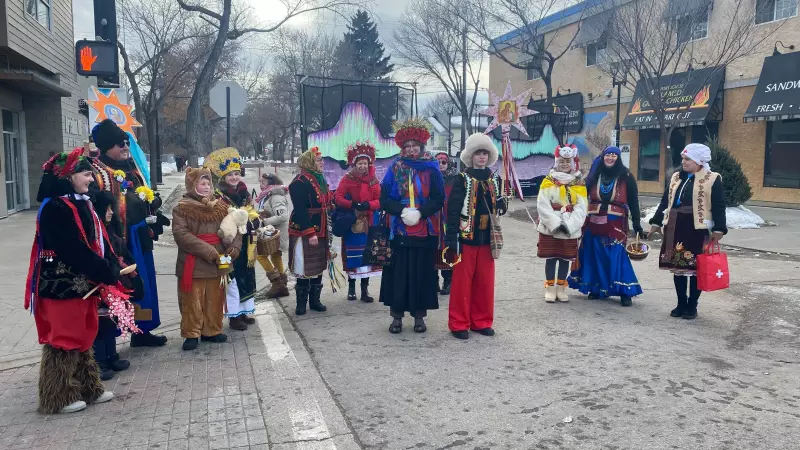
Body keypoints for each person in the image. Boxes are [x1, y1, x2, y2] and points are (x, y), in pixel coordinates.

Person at [25, 148, 117, 414]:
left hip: (82, 281)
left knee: (84, 333)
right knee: (64, 337)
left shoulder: (81, 202)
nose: (91, 179)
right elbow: (71, 247)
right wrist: (101, 268)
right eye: (87, 174)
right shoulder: (56, 207)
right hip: (60, 284)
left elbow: (96, 241)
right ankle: (58, 396)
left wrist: (111, 264)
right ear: (69, 176)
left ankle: (89, 388)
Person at [90, 119, 169, 347]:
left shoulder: (132, 168)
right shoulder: (97, 172)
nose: (125, 147)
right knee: (121, 286)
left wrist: (153, 203)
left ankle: (141, 331)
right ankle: (111, 339)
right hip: (119, 240)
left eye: (126, 142)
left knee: (143, 284)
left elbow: (142, 196)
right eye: (119, 144)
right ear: (106, 148)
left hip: (140, 236)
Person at [379, 118, 445, 334]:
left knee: (422, 273)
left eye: (414, 145)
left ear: (421, 145)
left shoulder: (432, 168)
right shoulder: (395, 167)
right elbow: (384, 199)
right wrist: (402, 211)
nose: (410, 149)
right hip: (399, 228)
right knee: (398, 273)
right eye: (406, 146)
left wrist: (421, 213)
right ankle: (396, 317)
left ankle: (419, 317)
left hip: (424, 229)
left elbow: (438, 198)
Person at [649, 143, 727, 320]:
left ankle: (692, 305)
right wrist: (656, 222)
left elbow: (719, 205)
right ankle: (681, 303)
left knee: (695, 268)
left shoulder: (712, 178)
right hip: (676, 226)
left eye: (688, 159)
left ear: (699, 161)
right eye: (683, 158)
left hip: (696, 229)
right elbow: (665, 202)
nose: (683, 162)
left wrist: (719, 228)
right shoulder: (677, 177)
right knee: (679, 267)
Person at [445, 133, 507, 340]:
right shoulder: (461, 179)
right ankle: (459, 323)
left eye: (485, 153)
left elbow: (498, 206)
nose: (481, 157)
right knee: (462, 283)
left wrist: (502, 204)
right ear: (470, 156)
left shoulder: (495, 179)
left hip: (487, 237)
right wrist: (451, 238)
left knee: (485, 282)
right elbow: (452, 210)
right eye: (478, 153)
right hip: (466, 237)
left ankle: (481, 321)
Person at [172, 167, 241, 350]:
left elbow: (233, 228)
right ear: (192, 185)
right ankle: (192, 333)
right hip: (194, 261)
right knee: (192, 300)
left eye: (208, 183)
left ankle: (212, 330)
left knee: (215, 297)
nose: (206, 187)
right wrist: (210, 253)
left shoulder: (221, 206)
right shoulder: (182, 208)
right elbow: (182, 235)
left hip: (221, 259)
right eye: (202, 183)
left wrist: (234, 248)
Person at [568, 146, 644, 307]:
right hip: (593, 218)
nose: (610, 158)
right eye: (607, 155)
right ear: (602, 157)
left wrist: (637, 224)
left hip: (615, 222)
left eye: (613, 155)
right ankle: (596, 288)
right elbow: (580, 193)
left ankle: (624, 291)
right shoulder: (595, 175)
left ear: (618, 158)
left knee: (616, 254)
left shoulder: (626, 176)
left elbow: (633, 201)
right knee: (592, 253)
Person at [205, 147, 258, 331]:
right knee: (232, 279)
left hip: (247, 243)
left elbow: (252, 212)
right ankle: (234, 316)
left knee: (247, 277)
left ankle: (244, 311)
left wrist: (255, 220)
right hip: (229, 244)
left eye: (236, 174)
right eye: (230, 175)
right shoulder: (219, 197)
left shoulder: (245, 193)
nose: (235, 178)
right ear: (223, 178)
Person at [92, 192, 139, 380]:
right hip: (100, 282)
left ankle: (111, 355)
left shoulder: (109, 228)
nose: (111, 213)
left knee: (111, 319)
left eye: (112, 208)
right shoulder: (94, 231)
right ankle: (99, 361)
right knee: (99, 322)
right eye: (107, 209)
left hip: (114, 280)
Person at [537, 145, 588, 303]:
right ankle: (550, 288)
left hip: (569, 227)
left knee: (565, 259)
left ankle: (561, 288)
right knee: (551, 258)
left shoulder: (578, 182)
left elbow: (581, 207)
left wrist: (570, 225)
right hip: (550, 227)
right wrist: (555, 223)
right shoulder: (548, 181)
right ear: (556, 162)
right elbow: (542, 204)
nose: (565, 164)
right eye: (562, 161)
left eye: (567, 161)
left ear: (572, 163)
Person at [334, 141, 382, 302]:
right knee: (353, 256)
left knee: (367, 256)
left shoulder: (374, 180)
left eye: (365, 163)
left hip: (369, 222)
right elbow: (338, 197)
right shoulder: (347, 179)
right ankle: (352, 288)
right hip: (353, 222)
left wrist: (368, 205)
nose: (363, 166)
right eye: (360, 163)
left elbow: (379, 199)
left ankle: (365, 290)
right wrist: (352, 205)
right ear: (354, 164)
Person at [288, 147, 331, 315]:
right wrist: (309, 232)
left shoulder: (319, 179)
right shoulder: (299, 182)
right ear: (310, 162)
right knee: (303, 264)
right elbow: (300, 209)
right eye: (319, 160)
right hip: (305, 229)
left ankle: (315, 301)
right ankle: (301, 303)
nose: (322, 163)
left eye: (321, 160)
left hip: (322, 228)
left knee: (318, 263)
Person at [255, 173, 290, 298]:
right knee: (276, 256)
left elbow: (283, 216)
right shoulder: (268, 195)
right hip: (274, 231)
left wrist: (264, 221)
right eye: (260, 181)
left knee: (260, 255)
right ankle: (282, 284)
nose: (261, 184)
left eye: (263, 182)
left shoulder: (275, 196)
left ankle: (277, 283)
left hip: (276, 232)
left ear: (271, 183)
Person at [434, 150, 459, 295]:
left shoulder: (455, 178)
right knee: (433, 249)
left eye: (444, 162)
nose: (441, 165)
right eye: (438, 162)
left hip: (449, 219)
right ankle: (434, 282)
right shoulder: (431, 177)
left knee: (448, 248)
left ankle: (448, 281)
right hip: (434, 219)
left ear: (448, 163)